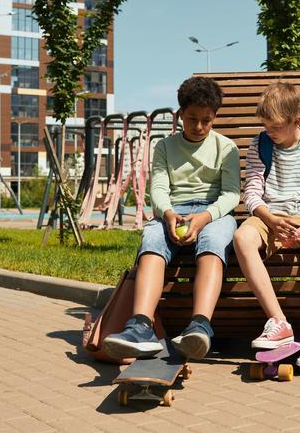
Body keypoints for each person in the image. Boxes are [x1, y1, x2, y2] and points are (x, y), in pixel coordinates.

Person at [103, 77, 240, 360]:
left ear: (215, 116)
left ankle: (200, 325)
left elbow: (230, 196)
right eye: (192, 119)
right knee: (151, 237)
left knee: (214, 240)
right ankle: (141, 325)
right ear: (179, 115)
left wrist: (203, 217)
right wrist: (167, 214)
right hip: (173, 212)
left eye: (206, 120)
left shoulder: (227, 148)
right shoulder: (165, 147)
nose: (199, 126)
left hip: (212, 212)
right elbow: (159, 189)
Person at [233, 81, 300, 374]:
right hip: (272, 215)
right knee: (242, 237)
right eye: (266, 125)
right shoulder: (260, 143)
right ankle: (279, 322)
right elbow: (252, 190)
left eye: (276, 127)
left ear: (297, 120)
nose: (269, 131)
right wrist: (267, 217)